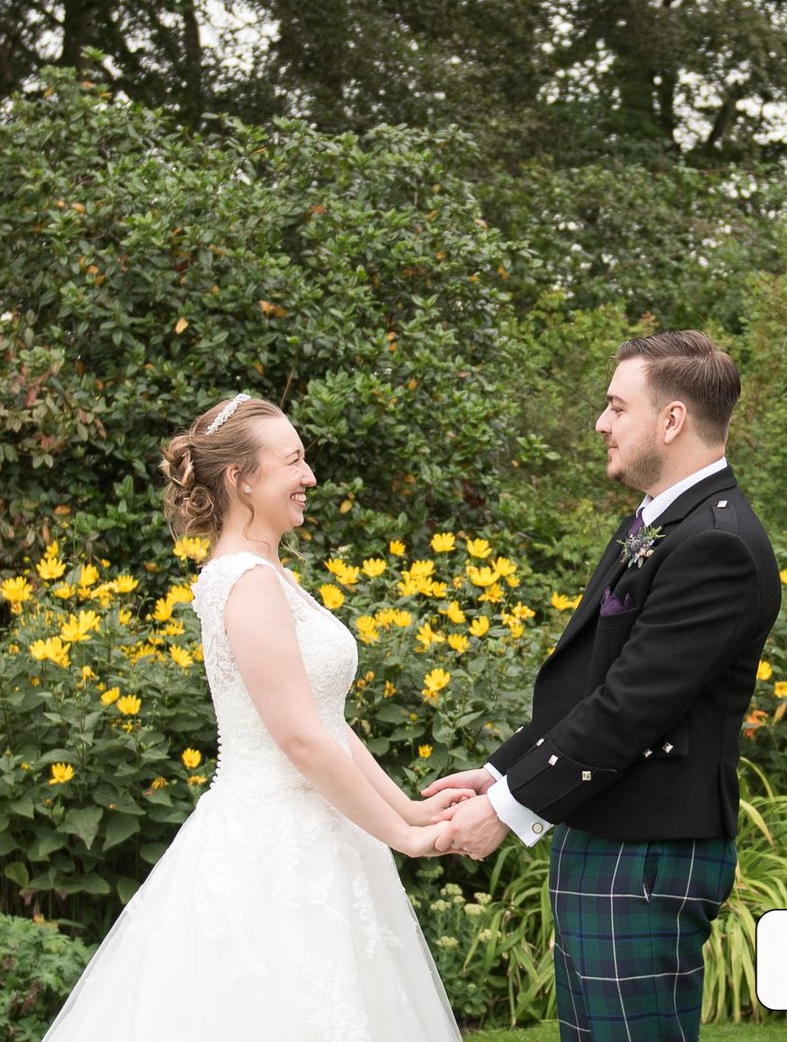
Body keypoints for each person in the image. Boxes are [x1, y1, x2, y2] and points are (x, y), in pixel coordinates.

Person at [39, 392, 472, 1042]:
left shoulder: (272, 573)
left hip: (321, 833)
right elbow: (298, 737)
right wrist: (402, 836)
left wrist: (408, 809)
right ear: (242, 478)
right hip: (271, 847)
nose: (310, 477)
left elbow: (327, 718)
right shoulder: (246, 579)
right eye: (294, 461)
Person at [424, 329, 782, 1042]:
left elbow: (628, 710)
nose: (601, 423)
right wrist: (499, 771)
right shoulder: (657, 525)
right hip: (609, 832)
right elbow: (595, 684)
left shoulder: (718, 544)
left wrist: (506, 809)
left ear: (672, 419)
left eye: (617, 406)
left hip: (647, 850)